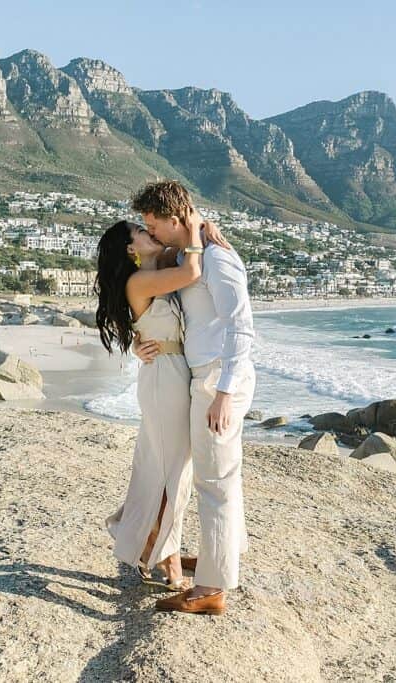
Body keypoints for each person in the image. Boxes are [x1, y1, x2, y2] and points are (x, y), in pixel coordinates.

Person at [131, 180, 255, 616]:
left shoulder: (218, 260)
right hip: (202, 375)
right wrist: (138, 342)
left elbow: (242, 328)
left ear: (176, 217)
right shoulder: (187, 256)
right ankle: (221, 559)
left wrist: (223, 392)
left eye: (153, 224)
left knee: (214, 483)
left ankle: (210, 589)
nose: (152, 232)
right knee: (221, 479)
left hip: (218, 378)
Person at [94, 216, 228, 590]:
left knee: (163, 469)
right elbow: (192, 270)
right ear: (130, 250)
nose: (148, 232)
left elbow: (183, 240)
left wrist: (204, 225)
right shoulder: (140, 281)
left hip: (174, 373)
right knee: (174, 474)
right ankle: (169, 566)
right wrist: (197, 229)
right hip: (164, 379)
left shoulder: (159, 265)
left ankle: (145, 540)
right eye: (140, 232)